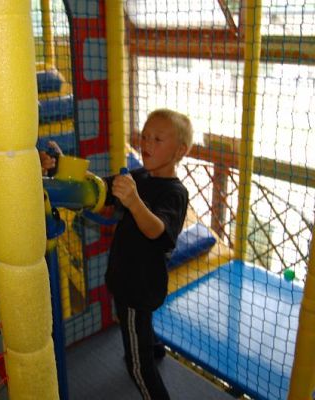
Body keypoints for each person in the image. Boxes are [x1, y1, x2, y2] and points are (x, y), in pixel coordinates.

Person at [104, 108, 193, 399]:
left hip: (136, 286)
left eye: (157, 139)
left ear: (180, 151)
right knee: (141, 326)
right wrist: (59, 168)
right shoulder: (140, 175)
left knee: (138, 366)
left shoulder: (175, 193)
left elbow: (158, 231)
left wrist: (134, 202)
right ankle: (154, 348)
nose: (146, 144)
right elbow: (103, 188)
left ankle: (148, 364)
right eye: (144, 137)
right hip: (130, 275)